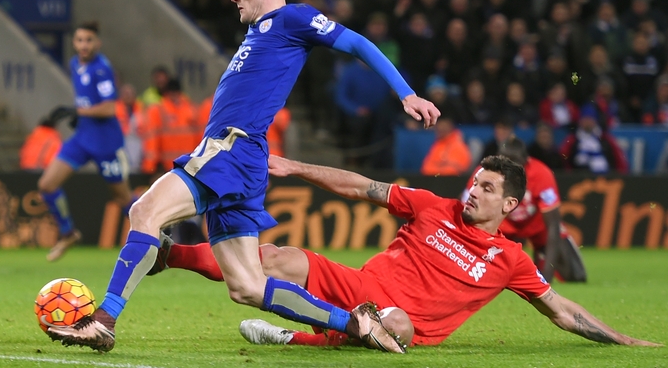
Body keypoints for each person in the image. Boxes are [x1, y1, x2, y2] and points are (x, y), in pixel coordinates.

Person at [46, 0, 439, 353]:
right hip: (244, 158)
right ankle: (357, 323)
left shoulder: (294, 18)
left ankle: (103, 321)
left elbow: (359, 43)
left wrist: (406, 93)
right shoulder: (265, 23)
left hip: (231, 147)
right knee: (249, 286)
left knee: (145, 211)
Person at [149, 155, 660, 350]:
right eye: (473, 181)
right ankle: (168, 255)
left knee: (398, 328)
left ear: (508, 203)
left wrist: (623, 340)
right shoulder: (432, 206)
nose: (472, 190)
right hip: (363, 286)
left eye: (485, 187)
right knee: (279, 257)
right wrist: (295, 167)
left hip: (403, 320)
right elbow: (361, 187)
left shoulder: (512, 261)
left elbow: (562, 309)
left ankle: (290, 337)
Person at [37, 22, 133, 262]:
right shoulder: (74, 64)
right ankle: (68, 233)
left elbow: (110, 108)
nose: (83, 45)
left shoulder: (101, 69)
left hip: (106, 143)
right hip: (83, 138)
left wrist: (78, 112)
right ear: (74, 42)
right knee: (47, 184)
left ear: (97, 43)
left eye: (88, 40)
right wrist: (79, 115)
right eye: (79, 40)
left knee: (123, 199)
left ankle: (158, 238)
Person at [463, 137, 586, 283]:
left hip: (537, 229)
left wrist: (547, 275)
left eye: (515, 162)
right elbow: (467, 210)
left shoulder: (541, 173)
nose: (511, 168)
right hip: (501, 230)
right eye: (506, 162)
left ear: (526, 160)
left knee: (576, 276)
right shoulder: (484, 173)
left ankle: (541, 256)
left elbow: (553, 224)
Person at [140, 78, 199, 175]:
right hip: (166, 166)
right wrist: (149, 166)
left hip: (188, 166)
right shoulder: (159, 110)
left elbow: (198, 138)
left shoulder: (191, 109)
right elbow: (152, 140)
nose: (174, 95)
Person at [560, 104, 628, 174]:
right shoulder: (572, 139)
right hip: (579, 179)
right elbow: (563, 157)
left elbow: (619, 159)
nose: (587, 122)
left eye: (590, 119)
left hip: (606, 180)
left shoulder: (606, 138)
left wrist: (621, 175)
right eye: (585, 119)